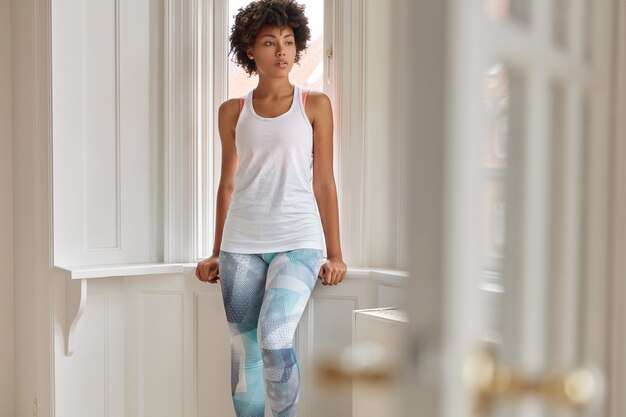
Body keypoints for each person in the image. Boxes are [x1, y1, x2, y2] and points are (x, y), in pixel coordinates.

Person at [195, 1, 347, 416]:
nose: (282, 50)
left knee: (274, 338)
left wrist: (335, 254)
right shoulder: (233, 111)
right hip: (240, 244)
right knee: (245, 351)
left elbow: (324, 182)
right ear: (250, 50)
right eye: (269, 42)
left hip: (298, 241)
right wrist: (215, 250)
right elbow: (227, 184)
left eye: (289, 41)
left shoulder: (315, 105)